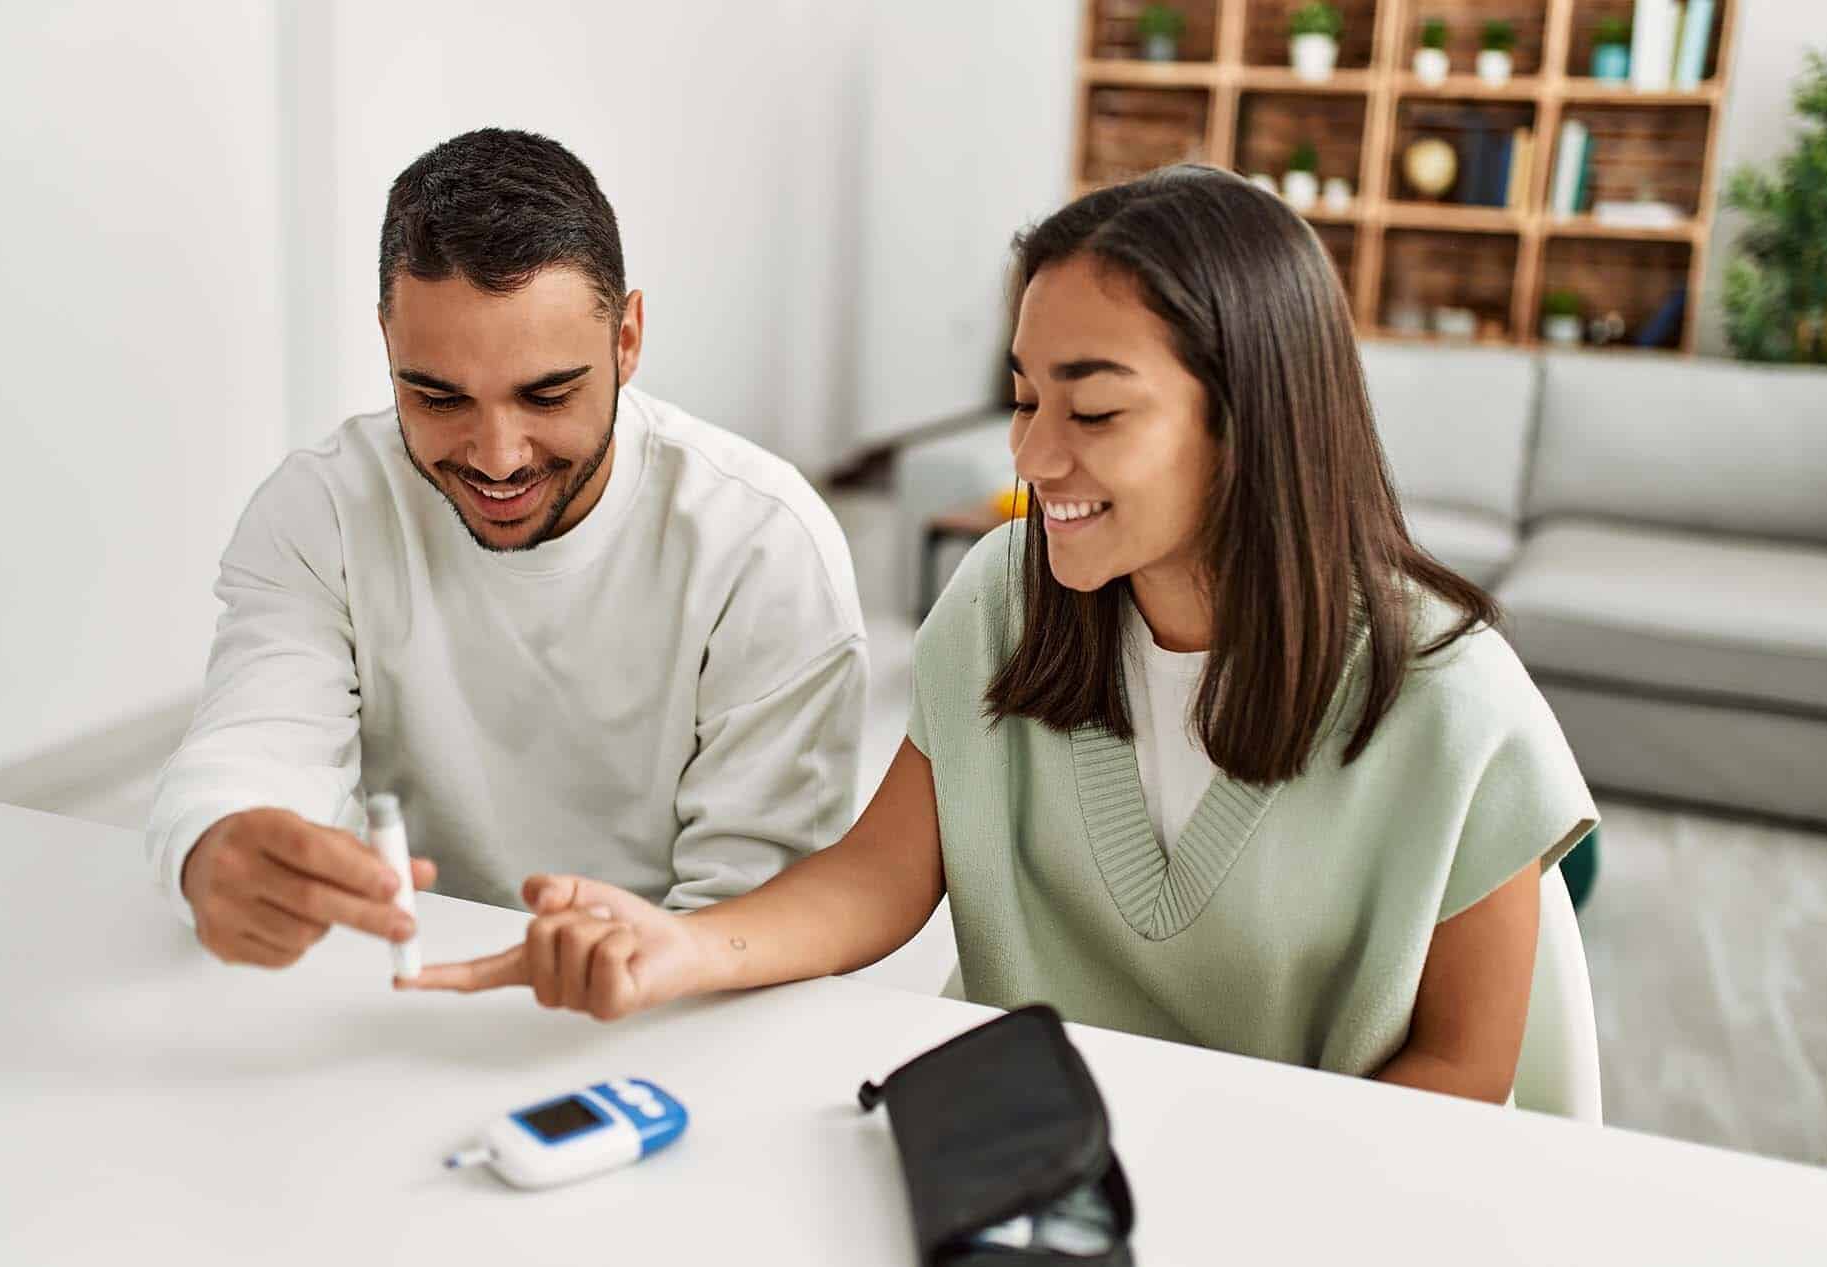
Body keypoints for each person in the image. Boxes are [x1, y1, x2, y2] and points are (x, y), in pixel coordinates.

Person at [408, 165, 1597, 1104]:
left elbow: (1459, 1078)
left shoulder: (1450, 695)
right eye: (1023, 398)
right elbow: (879, 876)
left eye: (1091, 408)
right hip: (1025, 1147)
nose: (1030, 458)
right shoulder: (1003, 599)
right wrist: (679, 947)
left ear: (1250, 419)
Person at [146, 128, 867, 972]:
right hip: (399, 988)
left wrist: (631, 972)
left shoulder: (764, 544)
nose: (497, 455)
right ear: (387, 339)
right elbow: (249, 750)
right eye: (436, 395)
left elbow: (758, 914)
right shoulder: (323, 512)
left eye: (548, 393)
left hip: (663, 1009)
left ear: (626, 338)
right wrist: (216, 843)